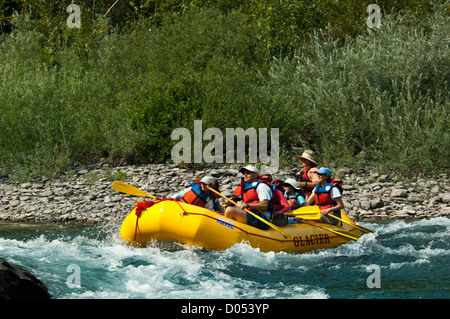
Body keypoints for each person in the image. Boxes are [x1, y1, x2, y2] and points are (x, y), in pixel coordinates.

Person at [224, 165, 273, 230]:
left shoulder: (262, 186)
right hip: (253, 215)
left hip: (263, 219)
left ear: (256, 175)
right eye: (244, 173)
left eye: (248, 173)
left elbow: (264, 205)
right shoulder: (247, 189)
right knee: (228, 209)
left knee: (230, 210)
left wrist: (246, 205)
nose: (245, 175)